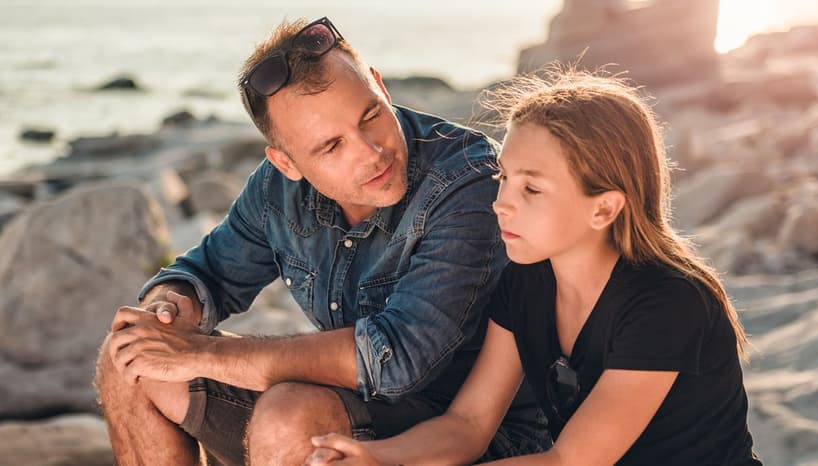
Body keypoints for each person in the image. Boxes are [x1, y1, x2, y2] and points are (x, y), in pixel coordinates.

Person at [94, 16, 549, 466]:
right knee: (128, 358)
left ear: (380, 87)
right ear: (286, 162)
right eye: (332, 147)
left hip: (478, 434)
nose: (371, 152)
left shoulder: (467, 183)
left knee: (291, 415)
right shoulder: (278, 189)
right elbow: (205, 273)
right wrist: (165, 313)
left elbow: (395, 357)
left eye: (371, 115)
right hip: (356, 410)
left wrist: (201, 354)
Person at [306, 69, 763, 465]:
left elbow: (570, 460)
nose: (501, 204)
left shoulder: (668, 304)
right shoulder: (527, 281)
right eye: (503, 177)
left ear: (603, 209)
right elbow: (468, 423)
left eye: (532, 189)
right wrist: (377, 457)